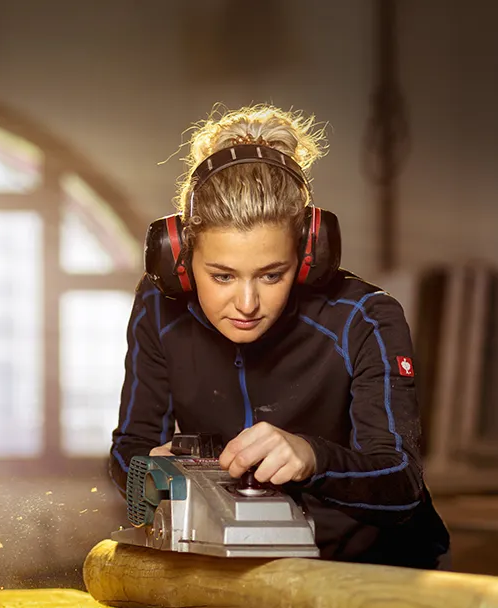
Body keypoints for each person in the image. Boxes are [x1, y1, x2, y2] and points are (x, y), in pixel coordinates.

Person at [107, 104, 450, 569]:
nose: (247, 303)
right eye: (222, 276)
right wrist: (153, 470)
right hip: (237, 575)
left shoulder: (365, 318)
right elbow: (129, 447)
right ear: (181, 261)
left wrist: (314, 458)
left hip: (375, 575)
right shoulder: (159, 307)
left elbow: (402, 487)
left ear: (308, 255)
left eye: (271, 275)